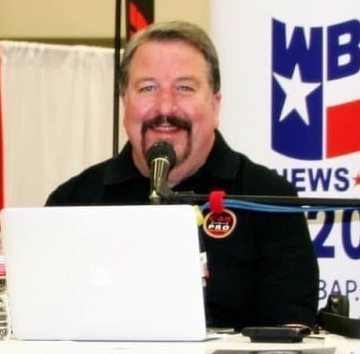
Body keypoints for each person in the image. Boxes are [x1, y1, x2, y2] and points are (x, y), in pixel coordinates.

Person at [45, 20, 318, 330]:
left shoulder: (268, 198)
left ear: (215, 105)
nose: (165, 106)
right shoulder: (73, 201)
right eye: (147, 88)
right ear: (125, 103)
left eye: (184, 88)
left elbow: (292, 331)